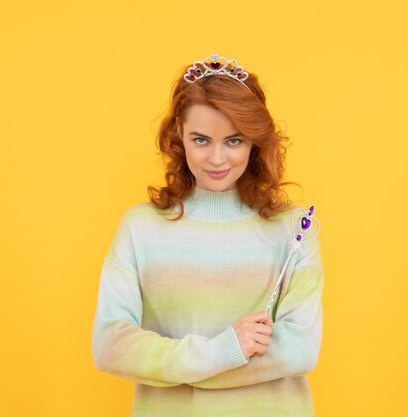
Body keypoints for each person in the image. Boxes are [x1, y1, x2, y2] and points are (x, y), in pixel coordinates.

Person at [91, 51, 325, 417]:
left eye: (234, 141)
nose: (217, 158)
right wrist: (220, 352)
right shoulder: (140, 228)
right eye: (201, 140)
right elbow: (110, 345)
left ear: (255, 142)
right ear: (178, 137)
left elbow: (299, 349)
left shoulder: (293, 230)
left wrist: (185, 370)